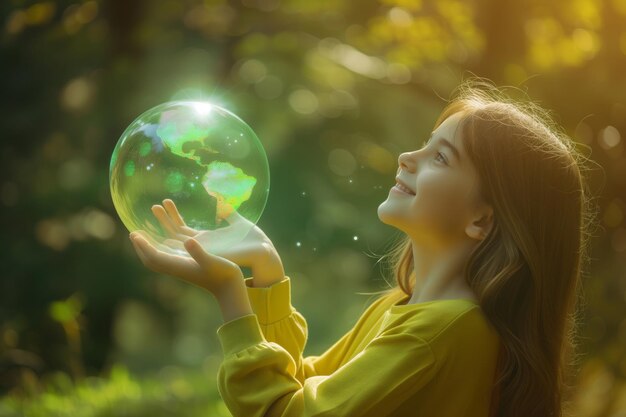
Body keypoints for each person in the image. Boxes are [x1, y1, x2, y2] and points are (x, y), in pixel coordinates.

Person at [128, 78, 597, 417]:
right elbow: (301, 388)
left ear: (482, 219)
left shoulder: (441, 331)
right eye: (424, 143)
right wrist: (267, 272)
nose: (406, 158)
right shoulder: (407, 309)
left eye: (440, 157)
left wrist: (233, 293)